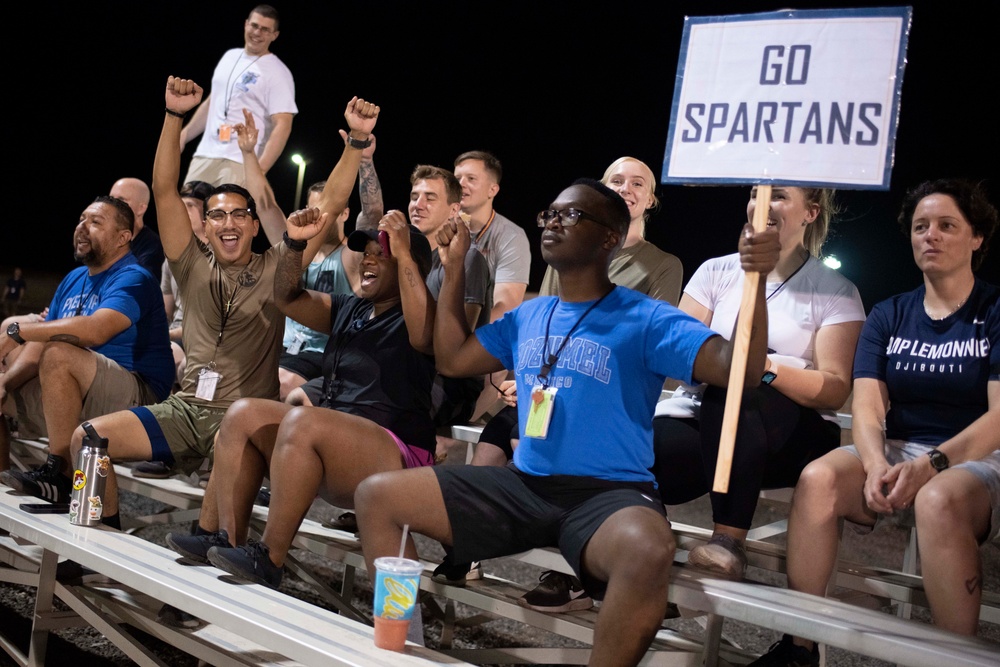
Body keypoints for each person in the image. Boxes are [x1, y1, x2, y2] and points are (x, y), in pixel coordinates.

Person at [354, 178, 780, 667]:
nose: (554, 222)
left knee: (648, 547)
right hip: (526, 485)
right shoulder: (530, 315)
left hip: (608, 495)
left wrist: (758, 281)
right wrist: (454, 269)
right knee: (378, 496)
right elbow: (451, 358)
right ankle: (405, 646)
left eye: (571, 215)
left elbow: (741, 369)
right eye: (550, 214)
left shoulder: (647, 318)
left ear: (610, 238)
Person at [61, 76, 377, 531]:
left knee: (215, 534)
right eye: (217, 215)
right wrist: (174, 116)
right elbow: (165, 187)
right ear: (204, 227)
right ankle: (100, 535)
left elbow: (330, 203)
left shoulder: (278, 265)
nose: (228, 223)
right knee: (88, 439)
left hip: (242, 423)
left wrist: (358, 141)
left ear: (253, 226)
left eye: (239, 215)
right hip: (186, 410)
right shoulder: (190, 262)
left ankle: (205, 569)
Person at [750, 178, 999, 666]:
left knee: (938, 498)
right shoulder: (890, 313)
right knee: (818, 478)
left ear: (976, 238)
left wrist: (933, 463)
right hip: (901, 447)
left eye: (947, 226)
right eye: (921, 226)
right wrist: (871, 461)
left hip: (978, 454)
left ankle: (954, 657)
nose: (931, 236)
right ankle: (800, 649)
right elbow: (866, 406)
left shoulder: (992, 310)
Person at [436, 156, 686, 601]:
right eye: (616, 180)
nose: (626, 187)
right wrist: (525, 378)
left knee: (562, 455)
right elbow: (543, 327)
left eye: (638, 183)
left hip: (602, 397)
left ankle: (573, 567)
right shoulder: (564, 253)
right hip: (546, 392)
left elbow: (647, 337)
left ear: (651, 200)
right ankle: (466, 547)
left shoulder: (661, 265)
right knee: (495, 434)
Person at [166, 208, 436, 604]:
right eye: (366, 252)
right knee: (243, 413)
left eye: (383, 253)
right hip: (332, 446)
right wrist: (294, 245)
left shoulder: (422, 314)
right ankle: (224, 538)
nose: (369, 259)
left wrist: (408, 253)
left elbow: (425, 333)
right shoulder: (350, 308)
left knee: (304, 421)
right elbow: (285, 296)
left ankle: (270, 557)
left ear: (410, 265)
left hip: (396, 455)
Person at [651, 185, 865, 584]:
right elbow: (674, 354)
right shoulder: (715, 271)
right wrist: (724, 365)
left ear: (810, 213)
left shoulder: (835, 290)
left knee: (734, 388)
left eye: (779, 196)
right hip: (705, 420)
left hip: (791, 430)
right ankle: (644, 566)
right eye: (755, 193)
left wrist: (762, 369)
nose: (761, 203)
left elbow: (835, 387)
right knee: (643, 452)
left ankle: (728, 541)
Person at [0, 196, 173, 494]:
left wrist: (19, 331)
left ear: (123, 237)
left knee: (59, 353)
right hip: (79, 389)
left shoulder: (135, 277)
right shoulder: (73, 278)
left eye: (95, 222)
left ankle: (61, 473)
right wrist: (5, 382)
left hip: (137, 396)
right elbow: (37, 346)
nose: (83, 227)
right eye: (82, 219)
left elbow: (96, 331)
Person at [179, 4, 296, 187]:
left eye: (265, 30)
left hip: (240, 161)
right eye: (255, 26)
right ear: (246, 24)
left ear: (275, 35)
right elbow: (213, 102)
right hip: (206, 154)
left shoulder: (278, 72)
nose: (257, 33)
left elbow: (283, 124)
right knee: (188, 211)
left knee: (227, 214)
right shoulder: (229, 56)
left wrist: (261, 169)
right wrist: (184, 135)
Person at [453, 151, 531, 322]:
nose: (461, 184)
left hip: (482, 336)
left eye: (471, 179)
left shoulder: (511, 236)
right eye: (457, 178)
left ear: (492, 190)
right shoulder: (440, 226)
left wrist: (466, 338)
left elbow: (506, 307)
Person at [109, 177, 165, 283]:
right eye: (111, 199)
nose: (112, 206)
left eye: (121, 200)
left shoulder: (153, 249)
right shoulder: (103, 241)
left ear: (141, 208)